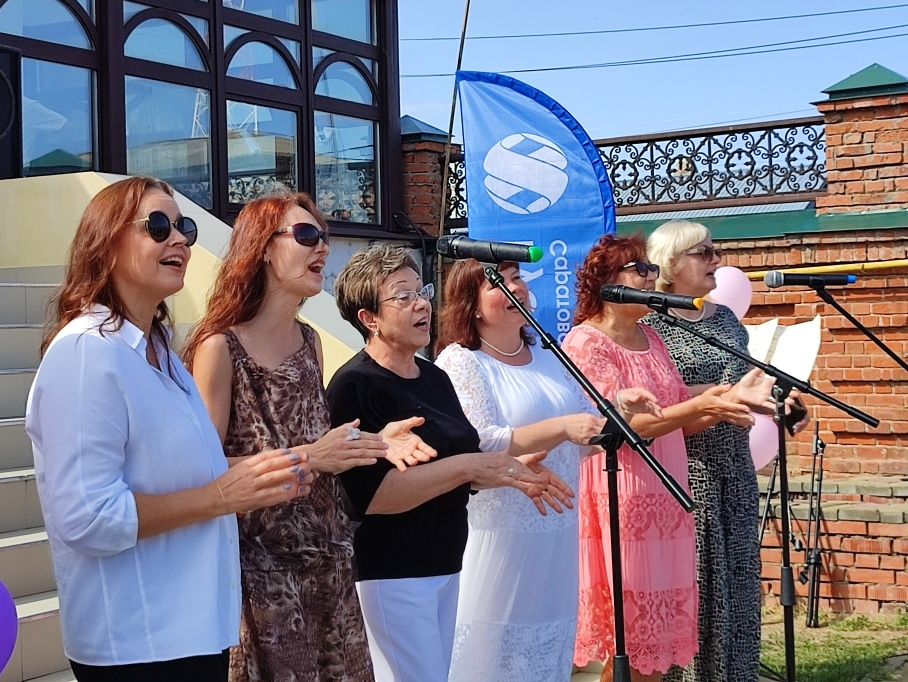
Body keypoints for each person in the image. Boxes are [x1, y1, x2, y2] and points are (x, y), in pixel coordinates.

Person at [27, 177, 312, 682]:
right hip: (138, 643)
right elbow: (89, 517)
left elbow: (189, 471)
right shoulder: (86, 354)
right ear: (106, 243)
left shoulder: (159, 349)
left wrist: (274, 471)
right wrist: (219, 497)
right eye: (158, 226)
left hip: (191, 631)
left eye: (185, 228)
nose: (179, 238)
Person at [183, 193, 433, 682]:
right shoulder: (219, 347)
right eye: (306, 235)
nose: (322, 247)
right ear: (263, 248)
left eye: (323, 236)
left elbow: (317, 444)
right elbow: (204, 473)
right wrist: (313, 457)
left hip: (329, 560)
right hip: (261, 573)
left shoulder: (310, 340)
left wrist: (373, 441)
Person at [326, 244, 575, 682]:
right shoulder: (355, 385)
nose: (422, 303)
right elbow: (373, 497)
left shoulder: (435, 378)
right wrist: (470, 468)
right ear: (369, 318)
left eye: (421, 291)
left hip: (445, 561)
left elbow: (461, 465)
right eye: (403, 296)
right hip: (394, 571)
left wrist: (506, 471)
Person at [434, 259, 662, 682]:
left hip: (557, 533)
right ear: (472, 304)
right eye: (499, 283)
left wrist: (619, 410)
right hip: (501, 535)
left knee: (547, 656)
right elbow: (478, 443)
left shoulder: (547, 354)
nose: (516, 288)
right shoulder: (461, 361)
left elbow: (585, 434)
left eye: (517, 278)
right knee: (491, 658)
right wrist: (559, 428)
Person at [561, 234, 772, 682]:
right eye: (639, 269)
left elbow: (676, 411)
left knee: (656, 647)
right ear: (607, 282)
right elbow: (623, 427)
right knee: (631, 644)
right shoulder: (586, 342)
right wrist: (702, 405)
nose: (649, 277)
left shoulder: (652, 338)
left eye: (651, 269)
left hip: (668, 497)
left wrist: (726, 401)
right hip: (625, 497)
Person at [643, 221, 804, 682]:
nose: (716, 260)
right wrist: (724, 401)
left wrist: (781, 402)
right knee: (697, 586)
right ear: (671, 265)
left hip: (735, 469)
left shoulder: (726, 320)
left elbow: (749, 383)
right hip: (685, 474)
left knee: (738, 582)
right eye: (704, 253)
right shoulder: (651, 328)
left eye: (716, 251)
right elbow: (664, 412)